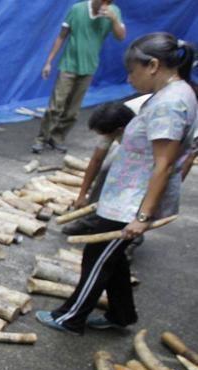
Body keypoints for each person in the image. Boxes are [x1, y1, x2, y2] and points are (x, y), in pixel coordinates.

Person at [37, 33, 197, 335]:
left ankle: (71, 317)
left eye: (133, 71)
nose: (129, 78)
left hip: (131, 203)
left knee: (97, 257)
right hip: (124, 195)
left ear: (152, 65)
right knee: (113, 257)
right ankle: (122, 315)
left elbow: (164, 164)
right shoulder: (171, 94)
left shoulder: (172, 103)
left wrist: (142, 216)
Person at [32, 0, 126, 153]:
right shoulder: (77, 9)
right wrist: (48, 62)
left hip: (89, 67)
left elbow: (121, 36)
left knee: (73, 111)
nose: (105, 3)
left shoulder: (113, 12)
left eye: (108, 1)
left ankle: (57, 138)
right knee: (55, 106)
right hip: (69, 65)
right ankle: (42, 138)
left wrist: (114, 19)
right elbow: (61, 36)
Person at [60, 101, 136, 236]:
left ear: (119, 130)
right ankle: (89, 220)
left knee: (135, 184)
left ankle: (132, 230)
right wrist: (82, 194)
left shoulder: (148, 127)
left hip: (159, 148)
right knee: (107, 169)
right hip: (129, 133)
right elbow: (96, 160)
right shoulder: (113, 119)